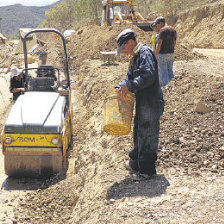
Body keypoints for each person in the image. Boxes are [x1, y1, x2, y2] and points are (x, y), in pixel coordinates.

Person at [115, 29, 164, 178]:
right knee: (138, 132)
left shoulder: (145, 53)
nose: (123, 51)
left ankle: (147, 170)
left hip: (151, 102)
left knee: (148, 135)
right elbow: (129, 77)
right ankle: (136, 164)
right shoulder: (135, 56)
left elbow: (148, 75)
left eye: (123, 47)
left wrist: (130, 86)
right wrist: (121, 86)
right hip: (143, 102)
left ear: (130, 42)